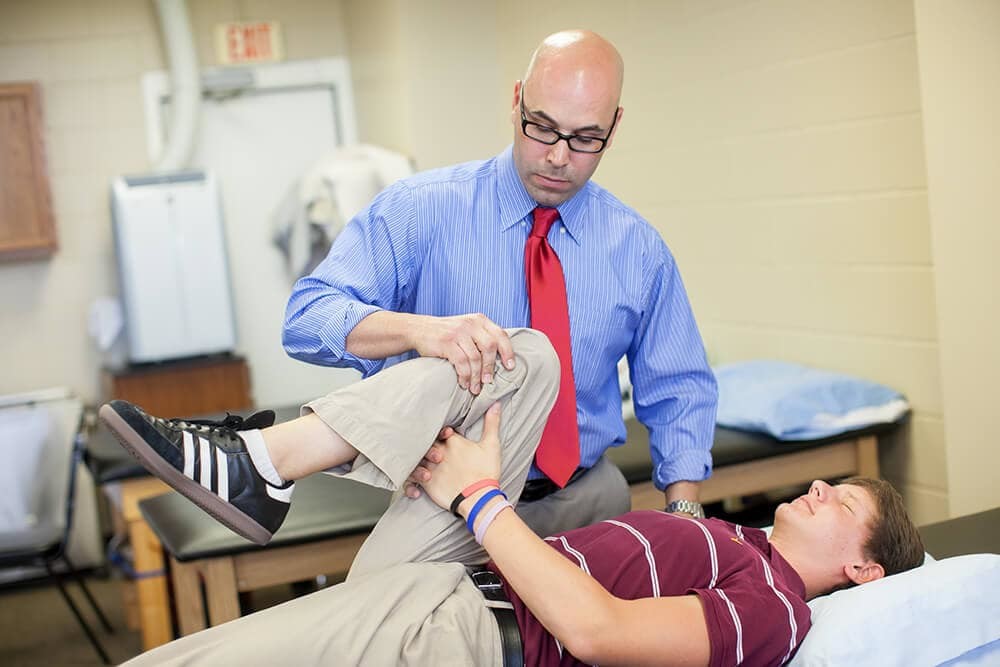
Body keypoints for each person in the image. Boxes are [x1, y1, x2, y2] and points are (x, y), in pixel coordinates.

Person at [101, 329, 925, 666]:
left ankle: (260, 466)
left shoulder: (776, 608)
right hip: (458, 574)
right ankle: (264, 462)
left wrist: (482, 498)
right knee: (523, 357)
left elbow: (598, 632)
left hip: (461, 627)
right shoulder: (733, 542)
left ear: (862, 570)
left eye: (844, 501)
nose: (818, 485)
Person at [281, 29, 719, 537]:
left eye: (584, 139)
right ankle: (265, 461)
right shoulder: (420, 210)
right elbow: (306, 318)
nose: (558, 157)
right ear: (517, 102)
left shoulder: (638, 248)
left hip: (588, 499)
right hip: (444, 506)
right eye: (542, 128)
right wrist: (417, 331)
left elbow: (679, 384)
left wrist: (685, 512)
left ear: (614, 126)